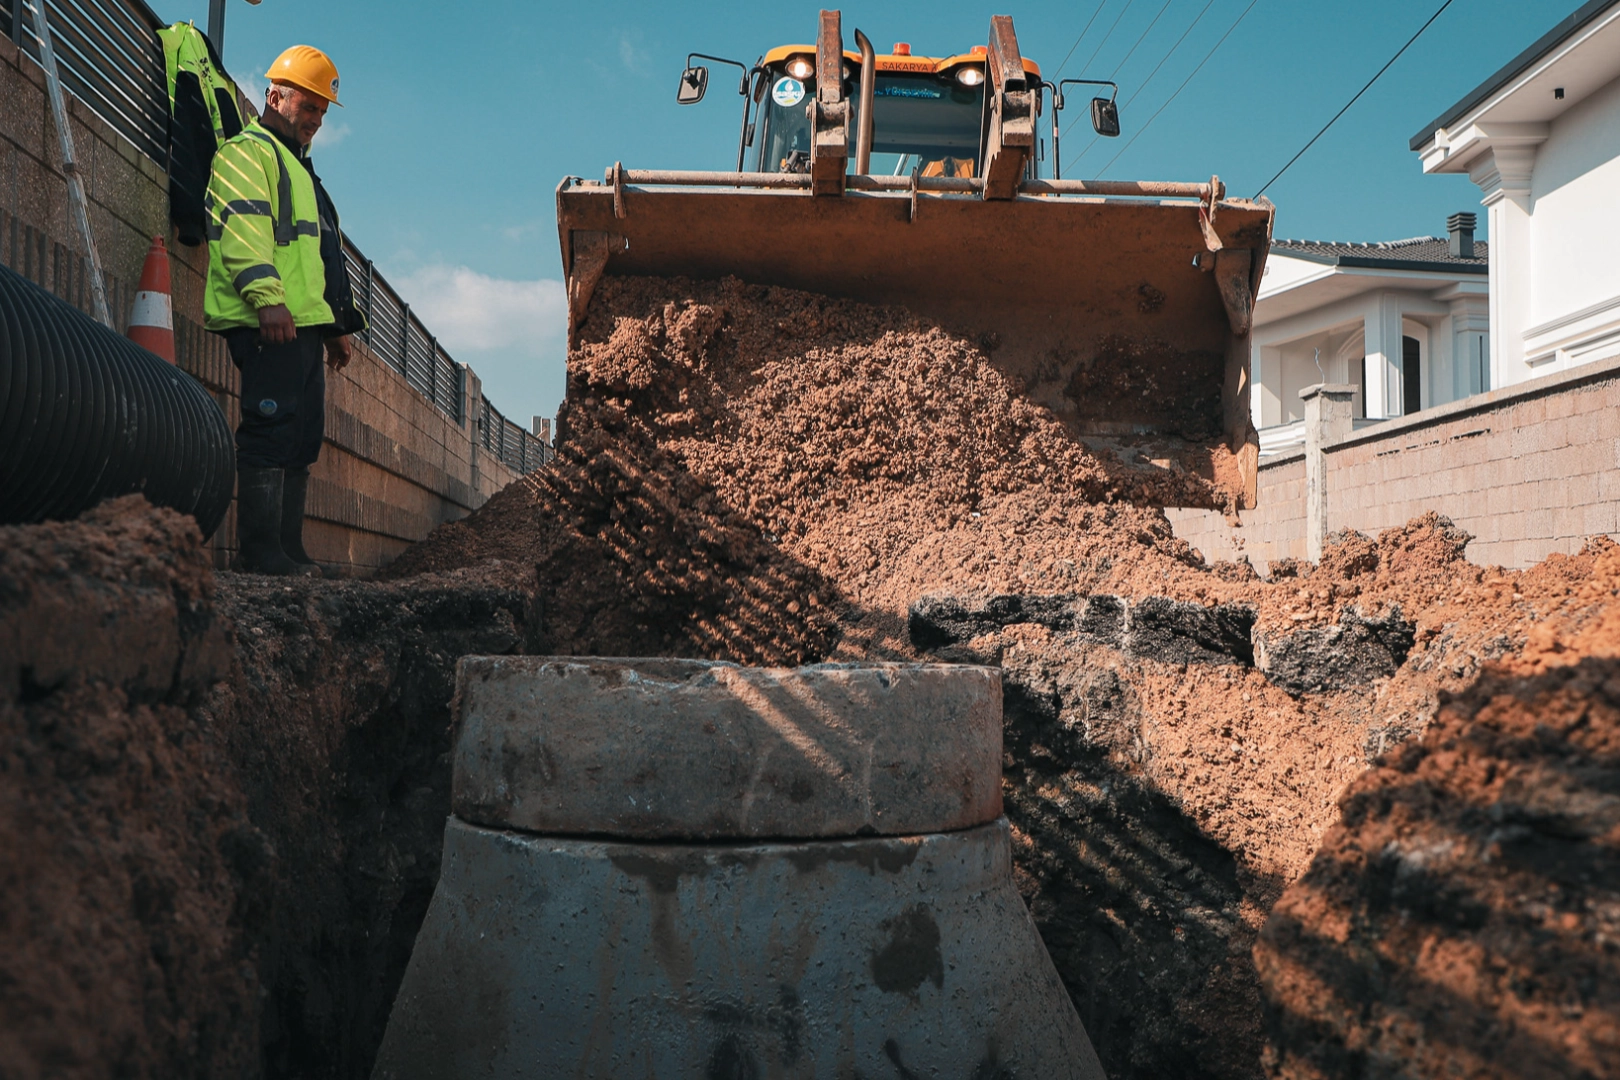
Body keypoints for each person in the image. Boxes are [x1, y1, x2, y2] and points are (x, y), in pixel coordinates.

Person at [204, 44, 364, 575]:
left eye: (321, 111)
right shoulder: (248, 153)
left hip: (303, 327)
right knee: (270, 432)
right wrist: (267, 301)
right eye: (309, 106)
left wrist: (337, 327)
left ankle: (288, 551)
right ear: (275, 95)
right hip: (267, 323)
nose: (316, 120)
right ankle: (262, 554)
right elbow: (243, 231)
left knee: (300, 438)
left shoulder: (300, 170)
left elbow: (320, 259)